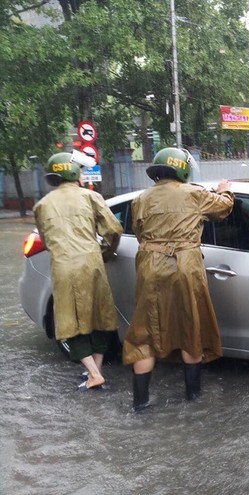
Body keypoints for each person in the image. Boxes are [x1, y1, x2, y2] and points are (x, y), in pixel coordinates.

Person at [122, 147, 234, 411]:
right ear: (182, 169)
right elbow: (225, 208)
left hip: (150, 266)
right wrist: (225, 189)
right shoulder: (195, 193)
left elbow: (139, 233)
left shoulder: (140, 199)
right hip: (185, 266)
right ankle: (193, 400)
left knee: (144, 334)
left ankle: (140, 404)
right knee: (190, 327)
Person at [33, 151, 123, 391]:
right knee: (99, 318)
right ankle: (96, 372)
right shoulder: (91, 197)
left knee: (70, 322)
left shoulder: (41, 206)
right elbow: (113, 230)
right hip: (92, 264)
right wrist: (106, 252)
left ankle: (94, 374)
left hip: (63, 267)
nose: (83, 174)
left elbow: (45, 239)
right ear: (73, 172)